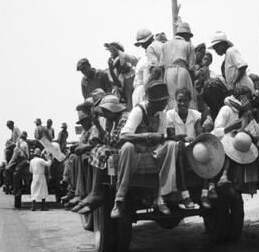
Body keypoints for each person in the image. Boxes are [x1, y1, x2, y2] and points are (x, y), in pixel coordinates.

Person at [111, 81, 180, 218]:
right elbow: (123, 136)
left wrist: (170, 138)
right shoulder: (138, 111)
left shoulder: (162, 114)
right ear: (154, 102)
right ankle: (119, 200)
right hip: (136, 158)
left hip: (153, 156)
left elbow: (160, 140)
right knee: (127, 147)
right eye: (163, 101)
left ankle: (162, 196)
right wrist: (147, 136)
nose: (165, 104)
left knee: (172, 145)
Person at [73, 95, 129, 214]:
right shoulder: (117, 119)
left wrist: (98, 125)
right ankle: (94, 192)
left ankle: (96, 192)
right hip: (121, 148)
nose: (103, 114)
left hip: (126, 150)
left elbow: (114, 142)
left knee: (101, 151)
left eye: (105, 112)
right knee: (97, 150)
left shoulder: (123, 119)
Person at [166, 88, 214, 208]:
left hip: (193, 148)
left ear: (190, 101)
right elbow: (171, 136)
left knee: (204, 148)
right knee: (180, 148)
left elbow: (199, 135)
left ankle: (204, 193)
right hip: (178, 148)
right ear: (175, 101)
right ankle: (185, 195)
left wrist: (194, 140)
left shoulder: (195, 115)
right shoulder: (170, 115)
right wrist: (182, 138)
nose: (182, 103)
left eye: (185, 100)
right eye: (179, 100)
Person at [213, 88, 259, 195]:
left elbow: (257, 134)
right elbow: (216, 132)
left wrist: (250, 114)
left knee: (244, 142)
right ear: (241, 98)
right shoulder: (226, 109)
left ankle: (247, 183)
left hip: (237, 145)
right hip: (221, 143)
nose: (249, 101)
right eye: (247, 98)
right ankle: (225, 176)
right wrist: (231, 128)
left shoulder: (245, 113)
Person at [160, 22, 197, 109]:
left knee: (172, 99)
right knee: (185, 97)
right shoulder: (188, 45)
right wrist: (192, 84)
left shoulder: (165, 45)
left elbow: (161, 66)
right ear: (186, 35)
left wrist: (163, 81)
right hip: (183, 71)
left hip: (168, 72)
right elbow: (191, 68)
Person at [105, 41, 137, 111]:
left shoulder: (129, 61)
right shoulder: (118, 73)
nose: (111, 53)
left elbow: (123, 57)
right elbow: (118, 84)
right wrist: (111, 69)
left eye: (113, 50)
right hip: (127, 103)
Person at [6, 137, 30, 208]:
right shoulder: (24, 144)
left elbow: (13, 158)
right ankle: (14, 187)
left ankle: (15, 188)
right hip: (24, 161)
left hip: (22, 161)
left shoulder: (16, 148)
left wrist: (9, 164)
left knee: (15, 173)